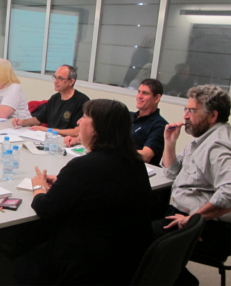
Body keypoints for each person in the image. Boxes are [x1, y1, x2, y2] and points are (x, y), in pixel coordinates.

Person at [13, 99, 152, 285]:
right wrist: (65, 182)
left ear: (96, 129)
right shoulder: (135, 162)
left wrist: (39, 186)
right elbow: (101, 188)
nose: (78, 121)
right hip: (128, 257)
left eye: (85, 117)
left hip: (89, 264)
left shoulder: (83, 167)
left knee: (20, 261)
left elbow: (45, 209)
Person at [152, 85, 231, 284]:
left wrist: (194, 219)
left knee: (136, 239)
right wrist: (169, 143)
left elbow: (229, 192)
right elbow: (171, 172)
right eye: (185, 110)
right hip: (185, 215)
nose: (186, 116)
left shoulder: (217, 146)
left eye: (192, 111)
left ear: (213, 115)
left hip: (206, 227)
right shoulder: (202, 140)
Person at [65, 78, 167, 165]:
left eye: (145, 93)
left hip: (137, 168)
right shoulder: (127, 116)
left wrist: (112, 152)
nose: (139, 96)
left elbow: (146, 155)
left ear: (157, 98)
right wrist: (77, 139)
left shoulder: (159, 125)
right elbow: (103, 135)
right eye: (139, 92)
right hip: (113, 162)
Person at [12, 65, 89, 137]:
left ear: (71, 82)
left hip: (67, 141)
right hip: (51, 138)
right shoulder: (54, 98)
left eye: (60, 78)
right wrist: (21, 122)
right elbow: (39, 119)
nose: (55, 81)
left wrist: (47, 130)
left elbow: (77, 132)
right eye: (55, 77)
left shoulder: (82, 101)